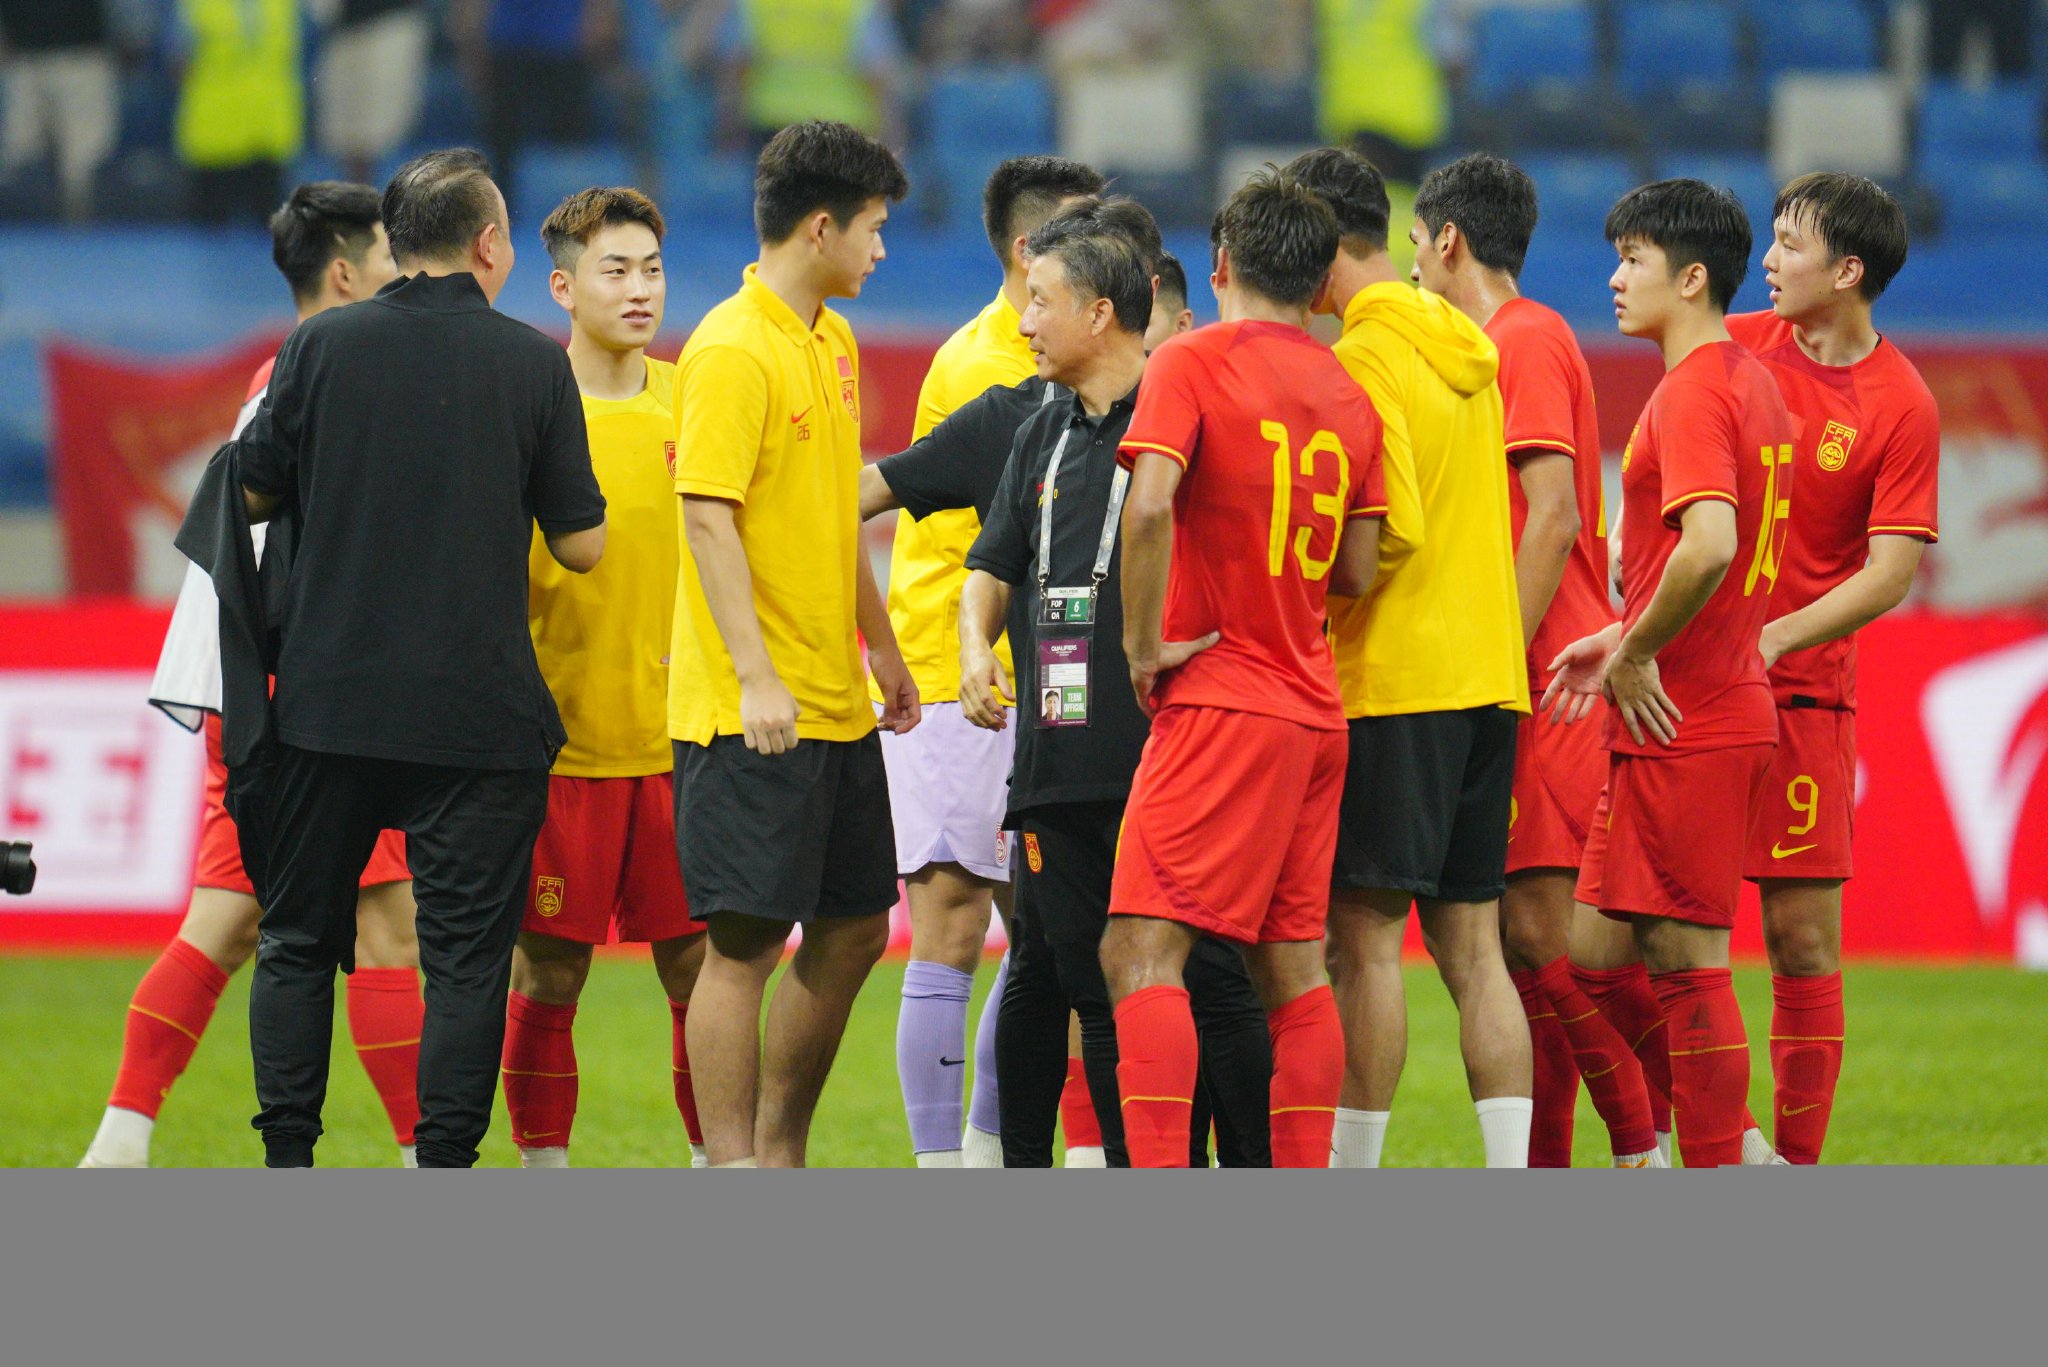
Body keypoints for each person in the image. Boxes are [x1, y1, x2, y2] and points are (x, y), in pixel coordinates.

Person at [230, 148, 608, 1168]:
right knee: (466, 964)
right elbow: (579, 542)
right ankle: (441, 1166)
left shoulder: (318, 349)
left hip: (323, 703)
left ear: (392, 246)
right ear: (489, 244)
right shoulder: (533, 362)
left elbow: (249, 491)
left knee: (299, 941)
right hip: (474, 715)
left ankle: (289, 1162)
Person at [80, 181, 415, 1170]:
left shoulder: (281, 376)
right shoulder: (327, 376)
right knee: (382, 924)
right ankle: (417, 1158)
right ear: (347, 270)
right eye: (392, 260)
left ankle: (118, 1140)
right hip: (314, 690)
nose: (405, 279)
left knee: (231, 920)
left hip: (261, 686)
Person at [952, 206, 1274, 1168]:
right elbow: (992, 563)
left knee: (1203, 973)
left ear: (1099, 313)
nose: (1022, 322)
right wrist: (974, 644)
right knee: (1052, 970)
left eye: (1040, 303)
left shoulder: (1187, 418)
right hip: (1055, 752)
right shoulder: (1037, 431)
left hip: (1169, 750)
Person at [1103, 169, 1388, 1168]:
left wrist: (1142, 645)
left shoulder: (1190, 361)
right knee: (1290, 967)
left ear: (1219, 265)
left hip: (1220, 697)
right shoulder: (1351, 395)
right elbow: (1355, 565)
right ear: (1320, 290)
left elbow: (1145, 505)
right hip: (1313, 707)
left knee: (1139, 949)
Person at [1408, 152, 1663, 1168]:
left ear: (1449, 241)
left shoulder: (1526, 338)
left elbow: (1553, 515)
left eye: (1416, 247)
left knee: (1543, 943)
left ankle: (1671, 1138)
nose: (1412, 268)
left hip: (1544, 678)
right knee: (1515, 963)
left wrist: (1497, 662)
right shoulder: (1479, 353)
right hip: (1512, 672)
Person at [672, 120, 916, 1168]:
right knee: (741, 947)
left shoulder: (832, 337)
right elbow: (704, 515)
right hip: (750, 709)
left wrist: (885, 646)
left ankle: (778, 1151)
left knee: (858, 923)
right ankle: (733, 1168)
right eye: (872, 229)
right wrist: (757, 675)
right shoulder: (729, 346)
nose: (880, 250)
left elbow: (827, 514)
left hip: (833, 694)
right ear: (819, 226)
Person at [1286, 146, 1534, 1169]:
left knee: (1364, 938)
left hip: (1397, 677)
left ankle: (1351, 1174)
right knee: (1473, 947)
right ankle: (1509, 1170)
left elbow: (1385, 528)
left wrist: (1310, 600)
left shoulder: (1363, 356)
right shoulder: (1463, 342)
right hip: (1486, 674)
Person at [1544, 179, 1797, 1169]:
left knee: (1689, 965)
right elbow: (1691, 563)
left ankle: (1721, 1160)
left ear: (1689, 277)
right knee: (1598, 957)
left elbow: (1708, 544)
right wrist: (1622, 634)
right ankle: (1729, 1134)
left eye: (1633, 260)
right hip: (1685, 699)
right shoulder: (1750, 382)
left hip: (1686, 713)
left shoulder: (1692, 391)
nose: (1611, 278)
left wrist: (1639, 647)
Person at [883, 154, 1104, 1169]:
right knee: (953, 920)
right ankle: (950, 1166)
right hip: (952, 672)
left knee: (1050, 932)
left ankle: (989, 1153)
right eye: (1078, 234)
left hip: (1030, 670)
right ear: (1028, 254)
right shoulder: (998, 369)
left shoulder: (1051, 361)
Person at [500, 186, 710, 1171]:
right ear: (562, 286)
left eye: (652, 269)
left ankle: (725, 1160)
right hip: (562, 746)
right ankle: (547, 1170)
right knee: (547, 973)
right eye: (615, 270)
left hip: (683, 742)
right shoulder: (525, 414)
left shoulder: (693, 405)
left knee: (701, 971)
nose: (639, 290)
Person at [1730, 173, 1939, 1164]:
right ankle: (1709, 1132)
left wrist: (1774, 637)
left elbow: (1889, 570)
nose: (1765, 261)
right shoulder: (1728, 352)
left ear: (1845, 270)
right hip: (1681, 692)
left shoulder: (1900, 404)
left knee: (1801, 944)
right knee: (1610, 941)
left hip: (1803, 697)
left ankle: (1794, 1170)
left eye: (1785, 243)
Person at [174, 0, 304, 224]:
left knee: (268, 237)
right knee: (209, 235)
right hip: (215, 137)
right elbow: (177, 61)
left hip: (267, 132)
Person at [0, 0, 118, 219]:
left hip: (83, 58)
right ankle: (19, 239)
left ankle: (84, 237)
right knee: (18, 157)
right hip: (25, 59)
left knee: (85, 162)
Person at [314, 1, 431, 187]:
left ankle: (395, 205)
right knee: (347, 138)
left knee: (383, 135)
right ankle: (361, 205)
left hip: (389, 27)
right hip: (342, 32)